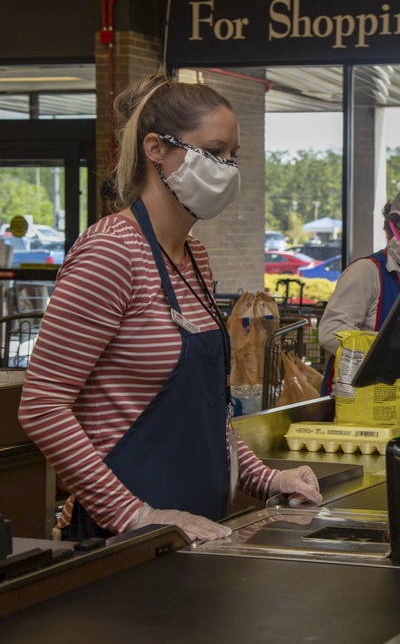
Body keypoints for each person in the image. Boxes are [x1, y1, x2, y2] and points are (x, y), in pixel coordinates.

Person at [18, 74, 322, 543]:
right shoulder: (110, 252)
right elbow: (43, 405)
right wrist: (136, 517)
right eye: (214, 152)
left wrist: (266, 479)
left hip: (196, 531)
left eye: (232, 157)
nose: (227, 169)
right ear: (156, 149)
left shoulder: (194, 257)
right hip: (119, 540)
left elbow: (207, 414)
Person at [317, 186, 400, 395]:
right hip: (356, 399)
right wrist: (384, 359)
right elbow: (331, 332)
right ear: (390, 228)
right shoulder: (366, 272)